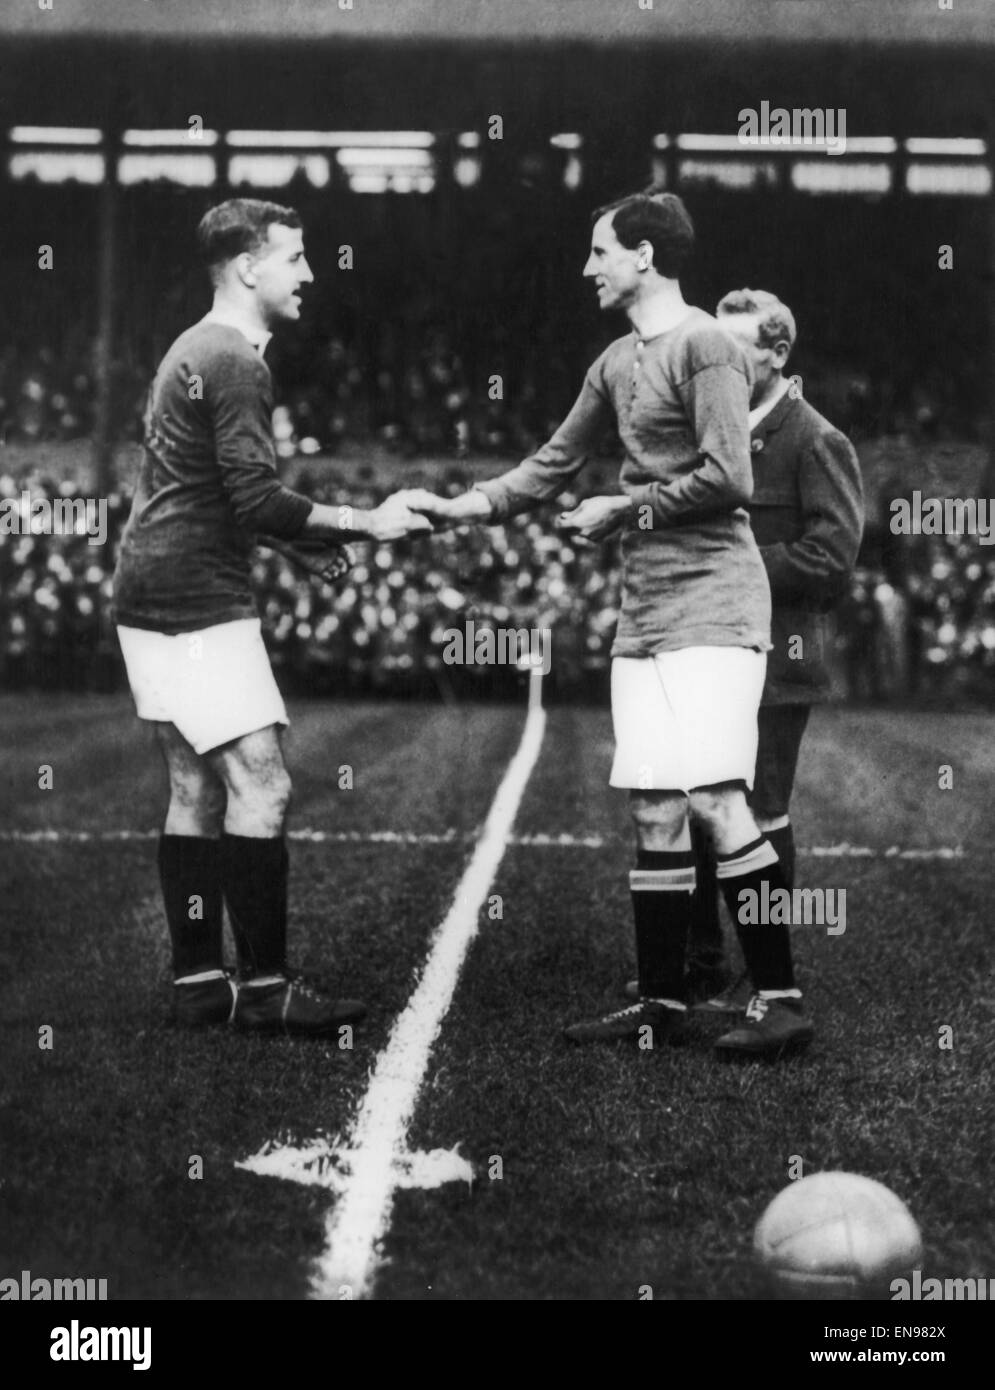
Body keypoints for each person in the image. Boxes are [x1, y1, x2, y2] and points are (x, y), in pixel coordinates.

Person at [407, 192, 811, 1056]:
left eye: (599, 252)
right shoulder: (615, 360)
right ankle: (663, 1002)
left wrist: (623, 512)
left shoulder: (705, 344)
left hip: (714, 603)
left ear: (645, 257)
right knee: (654, 808)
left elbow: (729, 476)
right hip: (647, 611)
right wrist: (457, 508)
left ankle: (780, 997)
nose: (588, 268)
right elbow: (549, 465)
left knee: (715, 798)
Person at [112, 198, 429, 1035]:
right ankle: (265, 991)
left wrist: (294, 547)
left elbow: (213, 490)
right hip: (196, 598)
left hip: (147, 586)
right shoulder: (237, 361)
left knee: (191, 784)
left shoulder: (194, 346)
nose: (310, 272)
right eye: (294, 256)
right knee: (263, 782)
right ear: (248, 267)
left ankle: (197, 983)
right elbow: (253, 495)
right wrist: (368, 521)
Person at [624, 289, 865, 1015]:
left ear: (776, 352)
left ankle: (762, 978)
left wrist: (726, 560)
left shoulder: (814, 438)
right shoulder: (708, 428)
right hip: (705, 647)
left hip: (775, 660)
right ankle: (699, 962)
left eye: (734, 349)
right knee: (698, 800)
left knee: (756, 812)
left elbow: (831, 559)